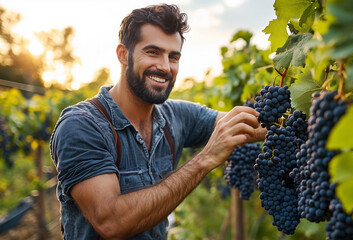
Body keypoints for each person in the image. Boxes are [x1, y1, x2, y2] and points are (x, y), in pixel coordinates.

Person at [50, 3, 265, 240]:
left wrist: (307, 115)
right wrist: (205, 159)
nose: (164, 67)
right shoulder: (81, 125)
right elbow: (110, 222)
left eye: (173, 57)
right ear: (123, 54)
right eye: (153, 52)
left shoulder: (177, 116)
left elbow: (248, 124)